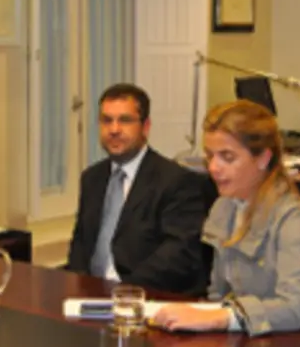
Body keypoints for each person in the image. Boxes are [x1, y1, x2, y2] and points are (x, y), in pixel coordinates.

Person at [153, 100, 300, 336]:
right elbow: (218, 293)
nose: (213, 168)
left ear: (263, 159)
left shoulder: (294, 220)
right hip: (254, 341)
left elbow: (294, 308)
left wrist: (219, 318)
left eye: (227, 157)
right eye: (210, 156)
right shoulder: (224, 207)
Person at [65, 83, 209, 295]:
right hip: (90, 294)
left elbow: (178, 255)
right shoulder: (92, 178)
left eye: (125, 120)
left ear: (146, 126)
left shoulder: (177, 181)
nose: (114, 129)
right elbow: (81, 243)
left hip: (144, 297)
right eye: (106, 120)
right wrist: (77, 285)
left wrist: (122, 292)